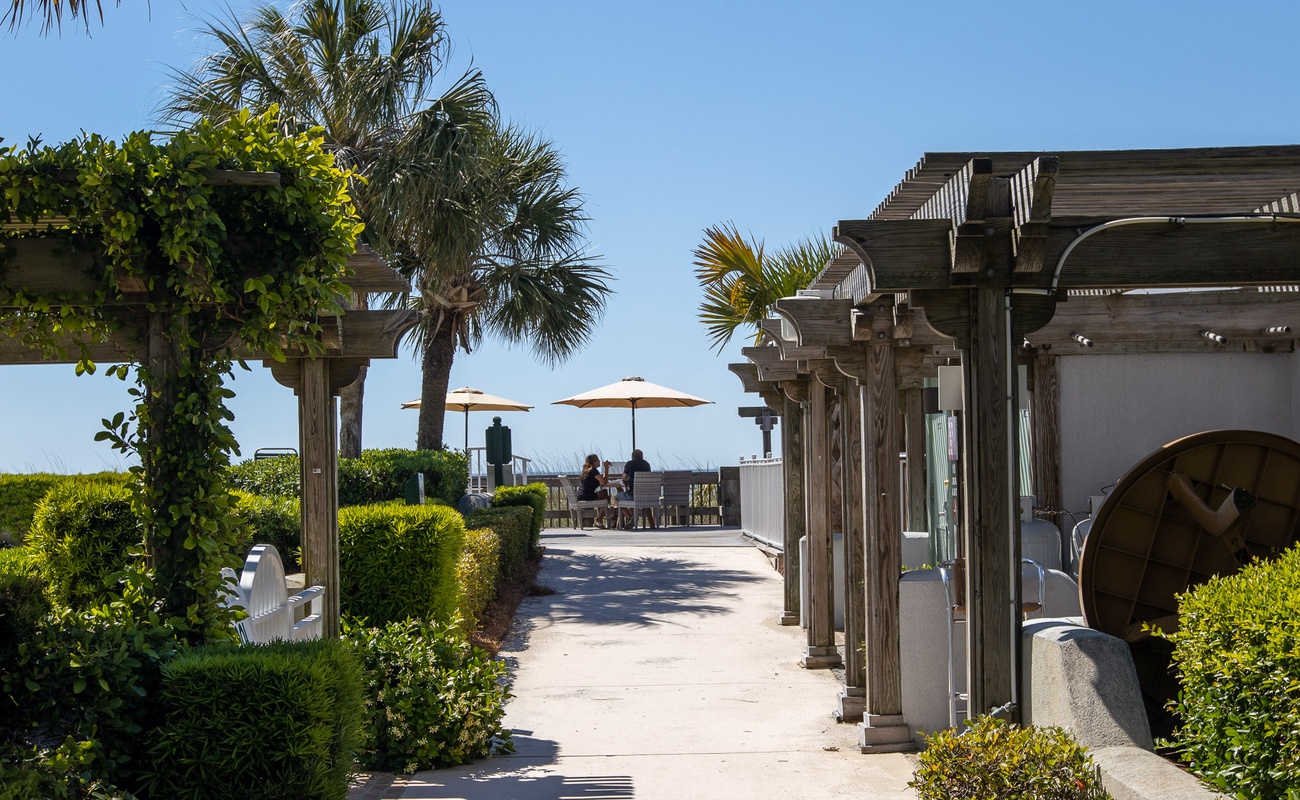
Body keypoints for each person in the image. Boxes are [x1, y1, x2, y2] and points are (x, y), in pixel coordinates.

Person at [616, 448, 654, 529]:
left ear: (632, 457)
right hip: (647, 495)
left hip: (634, 494)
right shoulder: (647, 464)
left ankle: (630, 517)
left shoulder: (630, 464)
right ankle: (652, 524)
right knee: (644, 503)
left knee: (617, 498)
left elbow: (624, 477)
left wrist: (627, 479)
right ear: (642, 456)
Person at [578, 453, 611, 528]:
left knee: (604, 494)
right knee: (606, 497)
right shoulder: (593, 470)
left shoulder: (586, 471)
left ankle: (599, 519)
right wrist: (606, 468)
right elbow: (604, 481)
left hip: (581, 496)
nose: (599, 462)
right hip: (587, 496)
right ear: (594, 462)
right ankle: (599, 519)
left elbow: (601, 480)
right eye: (598, 461)